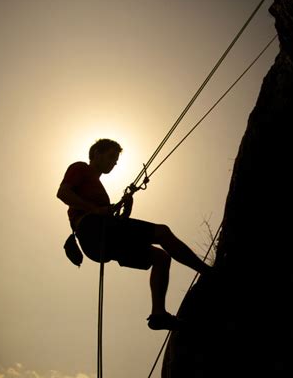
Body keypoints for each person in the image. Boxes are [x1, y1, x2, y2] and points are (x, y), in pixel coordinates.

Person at [57, 138, 211, 330]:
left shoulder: (98, 189)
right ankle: (208, 272)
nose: (114, 163)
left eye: (116, 160)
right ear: (96, 153)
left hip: (101, 239)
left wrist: (126, 210)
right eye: (111, 156)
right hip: (92, 228)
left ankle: (158, 315)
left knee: (161, 258)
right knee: (162, 232)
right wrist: (94, 210)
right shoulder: (81, 168)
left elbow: (117, 224)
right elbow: (63, 193)